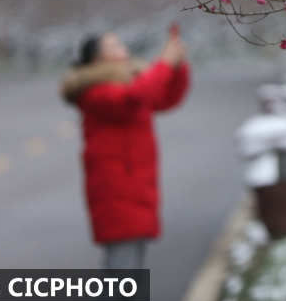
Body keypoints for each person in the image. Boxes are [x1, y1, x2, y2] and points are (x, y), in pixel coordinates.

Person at [60, 25, 190, 270]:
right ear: (98, 59)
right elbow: (135, 98)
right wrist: (165, 62)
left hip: (134, 188)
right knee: (122, 272)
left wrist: (177, 65)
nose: (123, 48)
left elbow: (165, 98)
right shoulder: (96, 91)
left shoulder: (131, 83)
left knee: (127, 271)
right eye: (114, 45)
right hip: (116, 191)